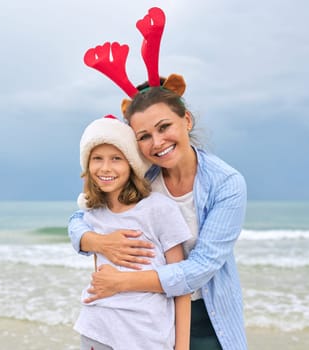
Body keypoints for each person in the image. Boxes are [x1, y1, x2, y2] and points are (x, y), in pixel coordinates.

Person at [69, 82, 248, 350]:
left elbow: (199, 268)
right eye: (144, 136)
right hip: (148, 317)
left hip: (208, 314)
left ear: (186, 120)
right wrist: (97, 242)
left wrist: (121, 282)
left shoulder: (226, 184)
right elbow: (83, 215)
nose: (157, 143)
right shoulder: (141, 176)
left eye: (164, 127)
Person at [73, 115, 192, 350]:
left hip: (147, 337)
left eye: (116, 158)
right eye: (97, 158)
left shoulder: (159, 208)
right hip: (97, 331)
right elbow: (97, 265)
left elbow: (182, 281)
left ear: (131, 164)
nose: (105, 168)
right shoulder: (93, 212)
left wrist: (182, 347)